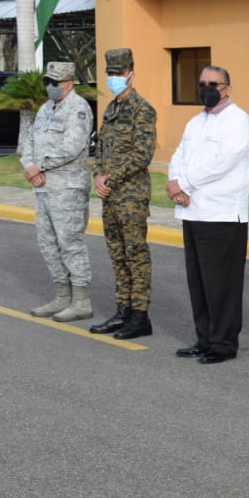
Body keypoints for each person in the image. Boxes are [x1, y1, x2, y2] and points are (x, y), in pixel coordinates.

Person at [167, 65, 249, 364]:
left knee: (222, 285)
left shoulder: (238, 121)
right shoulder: (195, 122)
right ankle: (204, 339)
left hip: (222, 215)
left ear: (227, 88)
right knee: (200, 282)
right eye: (202, 83)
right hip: (193, 212)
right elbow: (179, 155)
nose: (207, 88)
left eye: (213, 84)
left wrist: (185, 183)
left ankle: (223, 344)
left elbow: (223, 162)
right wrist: (174, 183)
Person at [89, 48, 157, 339]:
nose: (114, 78)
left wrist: (111, 177)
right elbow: (101, 149)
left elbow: (142, 155)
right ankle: (123, 310)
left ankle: (140, 316)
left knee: (135, 254)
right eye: (110, 73)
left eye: (119, 72)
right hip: (110, 195)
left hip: (131, 196)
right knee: (117, 255)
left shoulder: (143, 109)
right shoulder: (111, 109)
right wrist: (98, 176)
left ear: (131, 71)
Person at [22, 60, 95, 322]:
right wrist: (29, 166)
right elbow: (30, 140)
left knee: (70, 244)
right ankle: (62, 297)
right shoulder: (44, 109)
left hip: (67, 188)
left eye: (55, 82)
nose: (50, 86)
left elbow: (72, 147)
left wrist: (39, 166)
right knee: (48, 243)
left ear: (69, 82)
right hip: (43, 187)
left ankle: (81, 301)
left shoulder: (78, 109)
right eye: (48, 82)